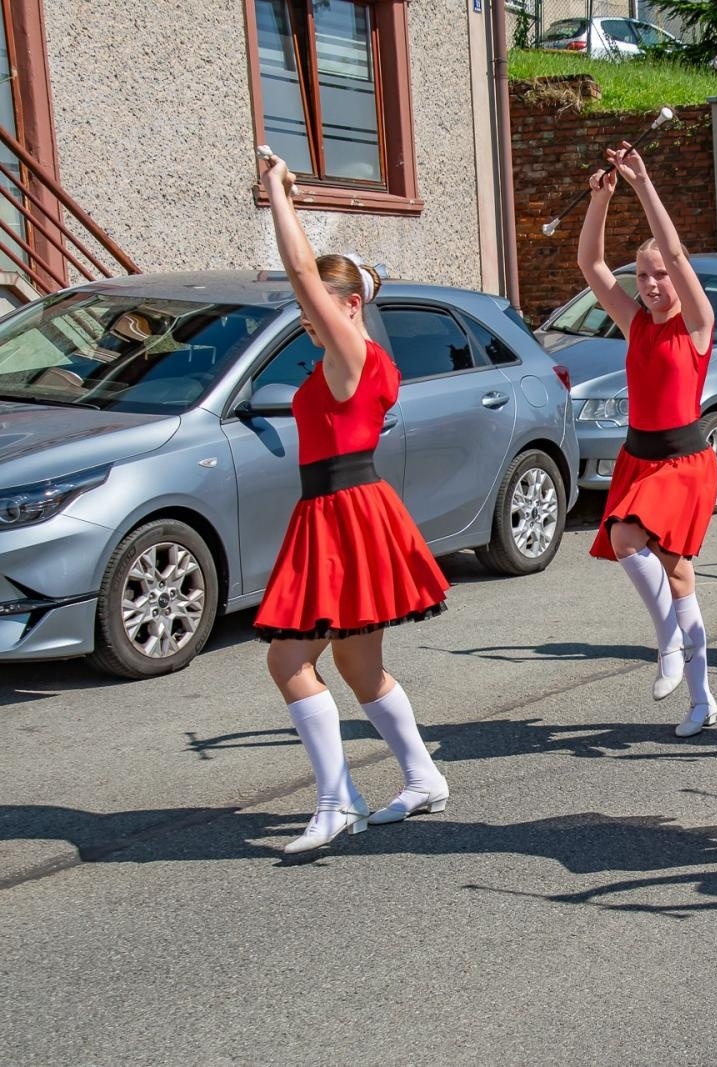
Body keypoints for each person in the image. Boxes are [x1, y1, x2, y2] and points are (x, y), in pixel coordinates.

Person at [254, 153, 451, 854]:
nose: (305, 317)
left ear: (350, 304)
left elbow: (305, 275)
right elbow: (310, 289)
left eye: (316, 310)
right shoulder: (360, 359)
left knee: (287, 660)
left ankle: (338, 800)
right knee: (358, 668)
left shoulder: (354, 356)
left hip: (343, 511)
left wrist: (279, 195)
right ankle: (423, 775)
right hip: (341, 511)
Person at [578, 142, 717, 737]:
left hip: (683, 460)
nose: (653, 282)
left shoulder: (697, 325)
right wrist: (600, 202)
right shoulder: (633, 320)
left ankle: (665, 641)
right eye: (643, 274)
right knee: (676, 576)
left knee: (624, 535)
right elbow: (591, 266)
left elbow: (679, 252)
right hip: (640, 455)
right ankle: (702, 698)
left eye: (661, 273)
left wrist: (642, 183)